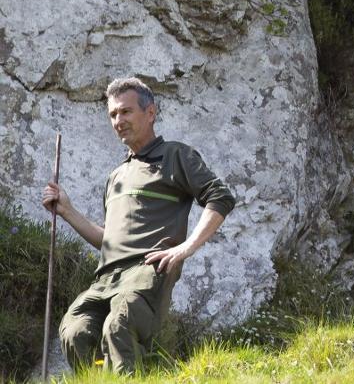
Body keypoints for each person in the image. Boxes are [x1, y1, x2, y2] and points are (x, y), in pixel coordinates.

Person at [41, 77, 236, 374]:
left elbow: (220, 197)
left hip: (146, 273)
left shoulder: (175, 155)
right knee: (75, 330)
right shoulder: (117, 175)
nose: (118, 120)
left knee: (119, 325)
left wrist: (186, 248)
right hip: (105, 279)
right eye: (113, 114)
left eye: (126, 111)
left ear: (151, 113)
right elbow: (111, 241)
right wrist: (67, 211)